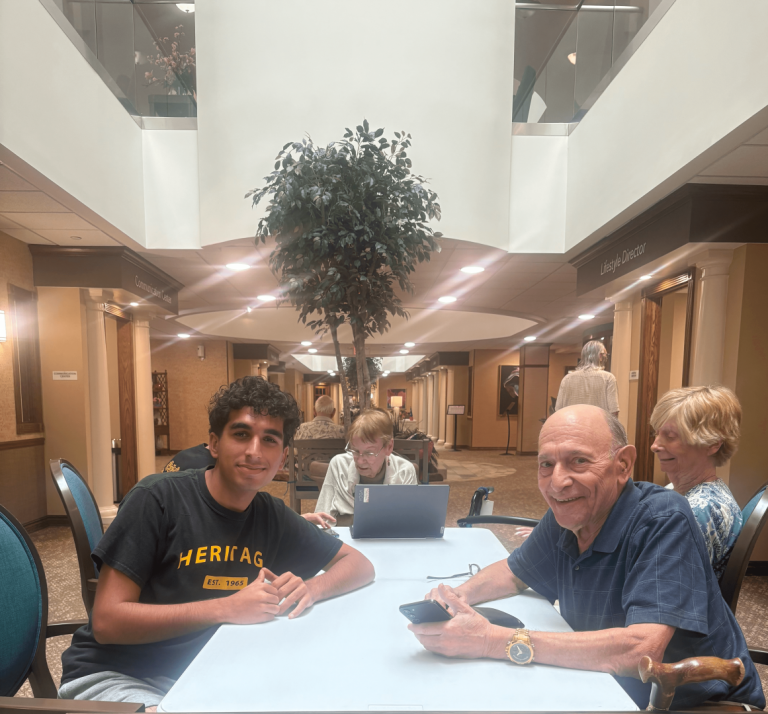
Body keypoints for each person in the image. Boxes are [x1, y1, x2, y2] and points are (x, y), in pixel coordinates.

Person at [408, 405, 764, 711]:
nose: (557, 482)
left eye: (578, 461)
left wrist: (490, 640)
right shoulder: (570, 513)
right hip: (604, 684)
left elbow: (639, 650)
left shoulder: (662, 518)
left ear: (623, 464)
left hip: (694, 702)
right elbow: (514, 573)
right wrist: (457, 597)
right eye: (546, 464)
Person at [59, 376, 375, 709]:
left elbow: (359, 565)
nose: (254, 451)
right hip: (121, 675)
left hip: (204, 671)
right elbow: (107, 622)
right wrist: (227, 607)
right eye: (241, 434)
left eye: (269, 440)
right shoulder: (157, 499)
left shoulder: (271, 514)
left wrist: (311, 589)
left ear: (282, 458)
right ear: (214, 443)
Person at [651, 385, 743, 580]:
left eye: (670, 436)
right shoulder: (685, 492)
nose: (655, 445)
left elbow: (667, 587)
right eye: (656, 434)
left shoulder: (698, 510)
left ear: (712, 444)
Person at [315, 407, 418, 526]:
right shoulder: (339, 465)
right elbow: (321, 520)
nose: (360, 460)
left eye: (369, 453)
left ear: (389, 447)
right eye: (355, 450)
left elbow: (410, 522)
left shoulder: (404, 471)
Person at [555, 340, 619, 417]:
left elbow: (558, 409)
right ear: (600, 356)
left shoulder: (567, 379)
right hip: (597, 423)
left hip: (572, 422)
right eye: (605, 355)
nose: (606, 358)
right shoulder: (608, 378)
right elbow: (613, 411)